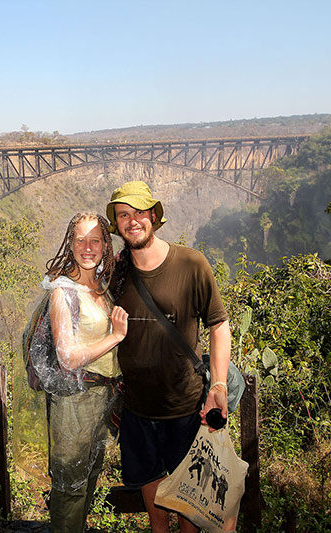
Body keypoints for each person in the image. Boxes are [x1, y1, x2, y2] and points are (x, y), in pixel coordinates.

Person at [107, 181, 231, 533]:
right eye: (123, 215)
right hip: (136, 410)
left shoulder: (191, 263)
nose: (132, 221)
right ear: (117, 225)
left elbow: (219, 325)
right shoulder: (116, 274)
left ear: (153, 216)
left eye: (139, 213)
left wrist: (218, 385)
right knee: (154, 500)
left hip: (186, 409)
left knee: (188, 504)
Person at [39, 212, 129, 533]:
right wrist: (115, 337)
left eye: (95, 240)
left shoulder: (102, 291)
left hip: (101, 403)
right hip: (72, 404)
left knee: (89, 480)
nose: (87, 247)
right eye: (80, 239)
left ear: (106, 245)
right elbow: (67, 357)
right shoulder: (63, 292)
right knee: (69, 490)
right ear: (70, 243)